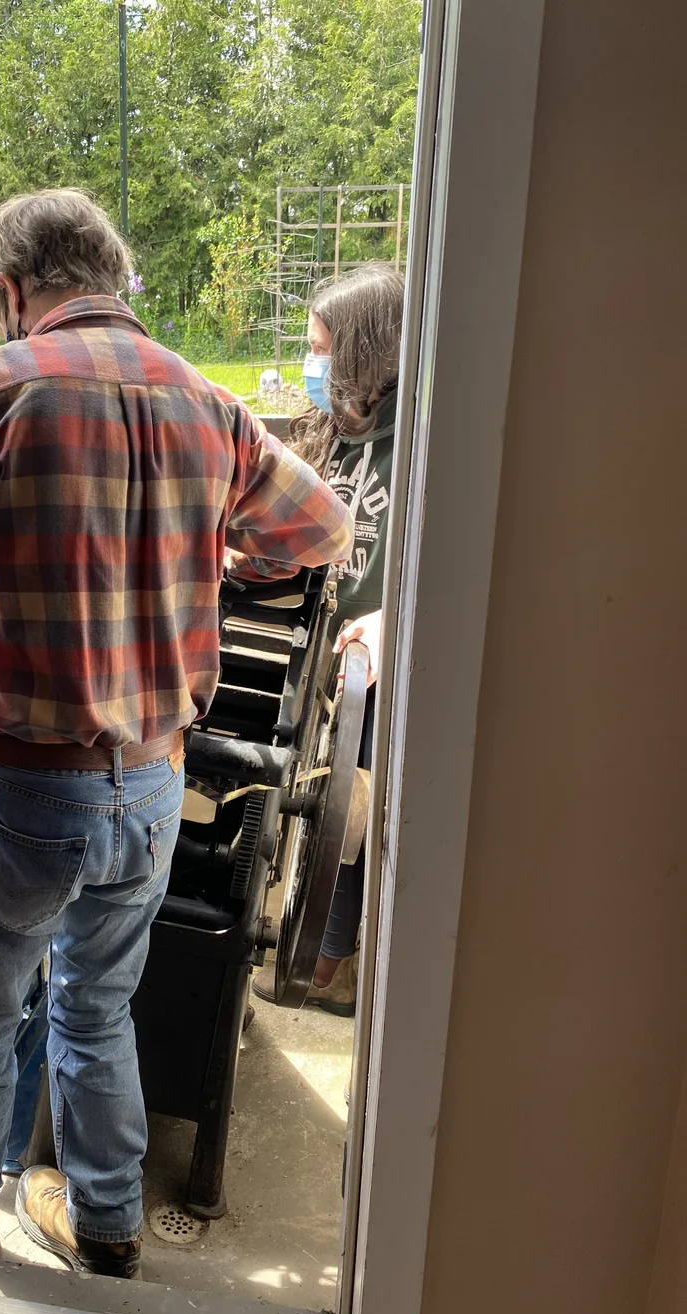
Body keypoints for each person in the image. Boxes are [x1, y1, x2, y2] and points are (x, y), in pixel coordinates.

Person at [0, 188, 354, 1280]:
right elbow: (321, 529)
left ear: (15, 290)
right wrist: (231, 548)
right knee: (95, 1004)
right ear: (109, 275)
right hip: (155, 785)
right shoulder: (204, 399)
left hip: (28, 787)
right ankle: (108, 1221)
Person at [251, 263, 403, 1017]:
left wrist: (395, 619)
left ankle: (328, 966)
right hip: (332, 653)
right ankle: (322, 953)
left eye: (322, 348)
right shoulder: (344, 427)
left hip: (382, 665)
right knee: (331, 802)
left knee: (351, 816)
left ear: (365, 352)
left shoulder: (420, 439)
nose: (312, 364)